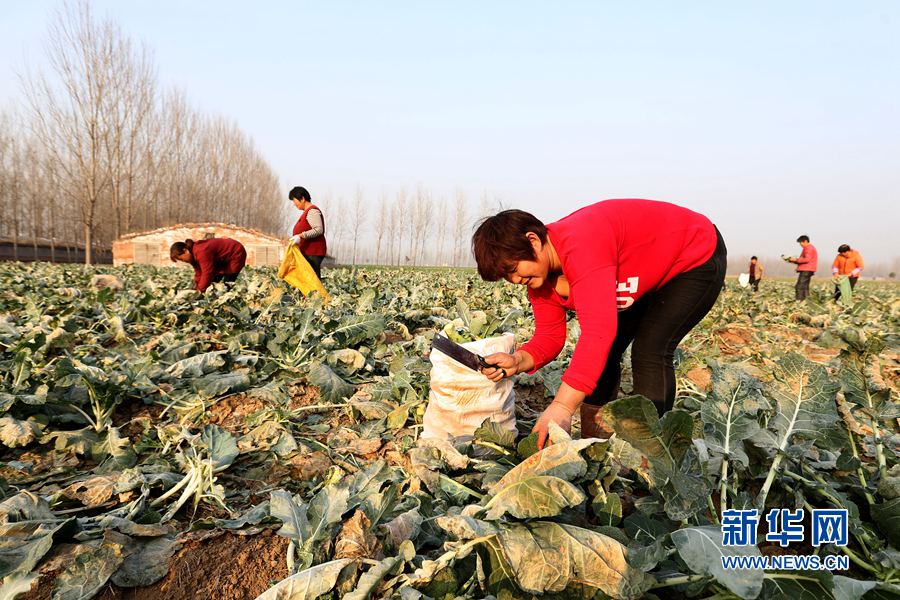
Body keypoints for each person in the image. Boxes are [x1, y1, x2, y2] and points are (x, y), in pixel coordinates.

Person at [472, 199, 726, 448]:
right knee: (605, 352)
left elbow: (598, 331)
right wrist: (518, 360)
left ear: (533, 241)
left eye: (514, 268)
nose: (515, 280)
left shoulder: (581, 243)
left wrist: (562, 407)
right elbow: (550, 336)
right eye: (507, 276)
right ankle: (595, 443)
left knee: (650, 350)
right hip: (647, 273)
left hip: (694, 256)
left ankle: (651, 453)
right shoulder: (540, 280)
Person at [170, 237, 247, 293]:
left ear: (185, 250)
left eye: (181, 259)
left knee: (226, 283)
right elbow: (198, 272)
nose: (183, 261)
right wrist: (195, 287)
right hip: (221, 259)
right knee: (213, 281)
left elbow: (207, 273)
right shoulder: (192, 255)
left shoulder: (201, 251)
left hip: (235, 252)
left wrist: (200, 291)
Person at [288, 186, 327, 279]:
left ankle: (315, 294)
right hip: (308, 252)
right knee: (307, 279)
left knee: (312, 279)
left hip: (313, 253)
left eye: (294, 201)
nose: (294, 204)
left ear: (302, 199)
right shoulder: (306, 212)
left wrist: (300, 236)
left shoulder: (312, 211)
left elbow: (318, 229)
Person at [786, 235, 818, 301]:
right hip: (809, 269)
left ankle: (799, 301)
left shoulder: (808, 248)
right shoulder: (811, 247)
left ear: (806, 241)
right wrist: (793, 261)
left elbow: (807, 259)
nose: (801, 244)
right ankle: (807, 301)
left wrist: (795, 260)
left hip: (806, 269)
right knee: (805, 287)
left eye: (801, 242)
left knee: (799, 286)